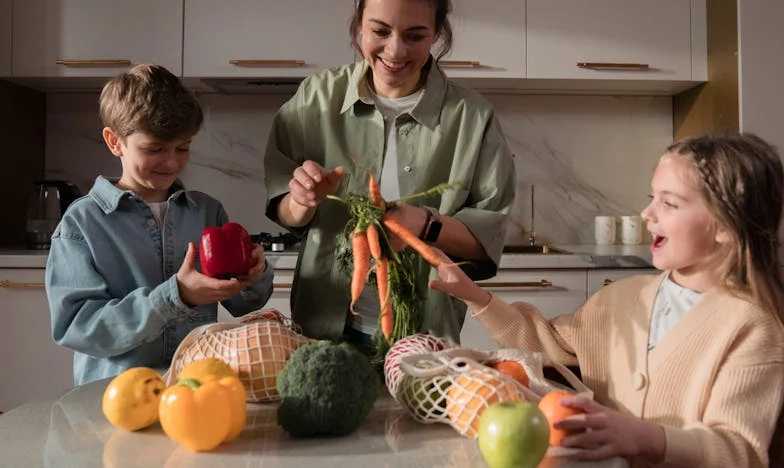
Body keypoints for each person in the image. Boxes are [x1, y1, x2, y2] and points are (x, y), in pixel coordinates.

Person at [430, 133, 784, 467]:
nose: (648, 214)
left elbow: (740, 451)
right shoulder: (620, 299)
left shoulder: (753, 327)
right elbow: (545, 343)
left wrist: (647, 438)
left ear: (725, 227)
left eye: (670, 203)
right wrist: (474, 296)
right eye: (652, 198)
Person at [263, 0, 515, 348]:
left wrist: (426, 224)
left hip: (425, 333)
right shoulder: (315, 98)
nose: (395, 51)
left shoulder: (472, 118)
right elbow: (284, 209)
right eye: (380, 31)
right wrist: (302, 199)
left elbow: (487, 238)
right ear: (358, 28)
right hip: (321, 327)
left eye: (415, 35)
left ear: (436, 35)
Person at [46, 64, 274, 386]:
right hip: (116, 397)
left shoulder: (207, 212)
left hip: (195, 388)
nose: (171, 162)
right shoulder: (82, 223)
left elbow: (243, 304)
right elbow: (79, 327)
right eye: (154, 149)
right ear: (115, 142)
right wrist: (175, 296)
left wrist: (254, 274)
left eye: (183, 148)